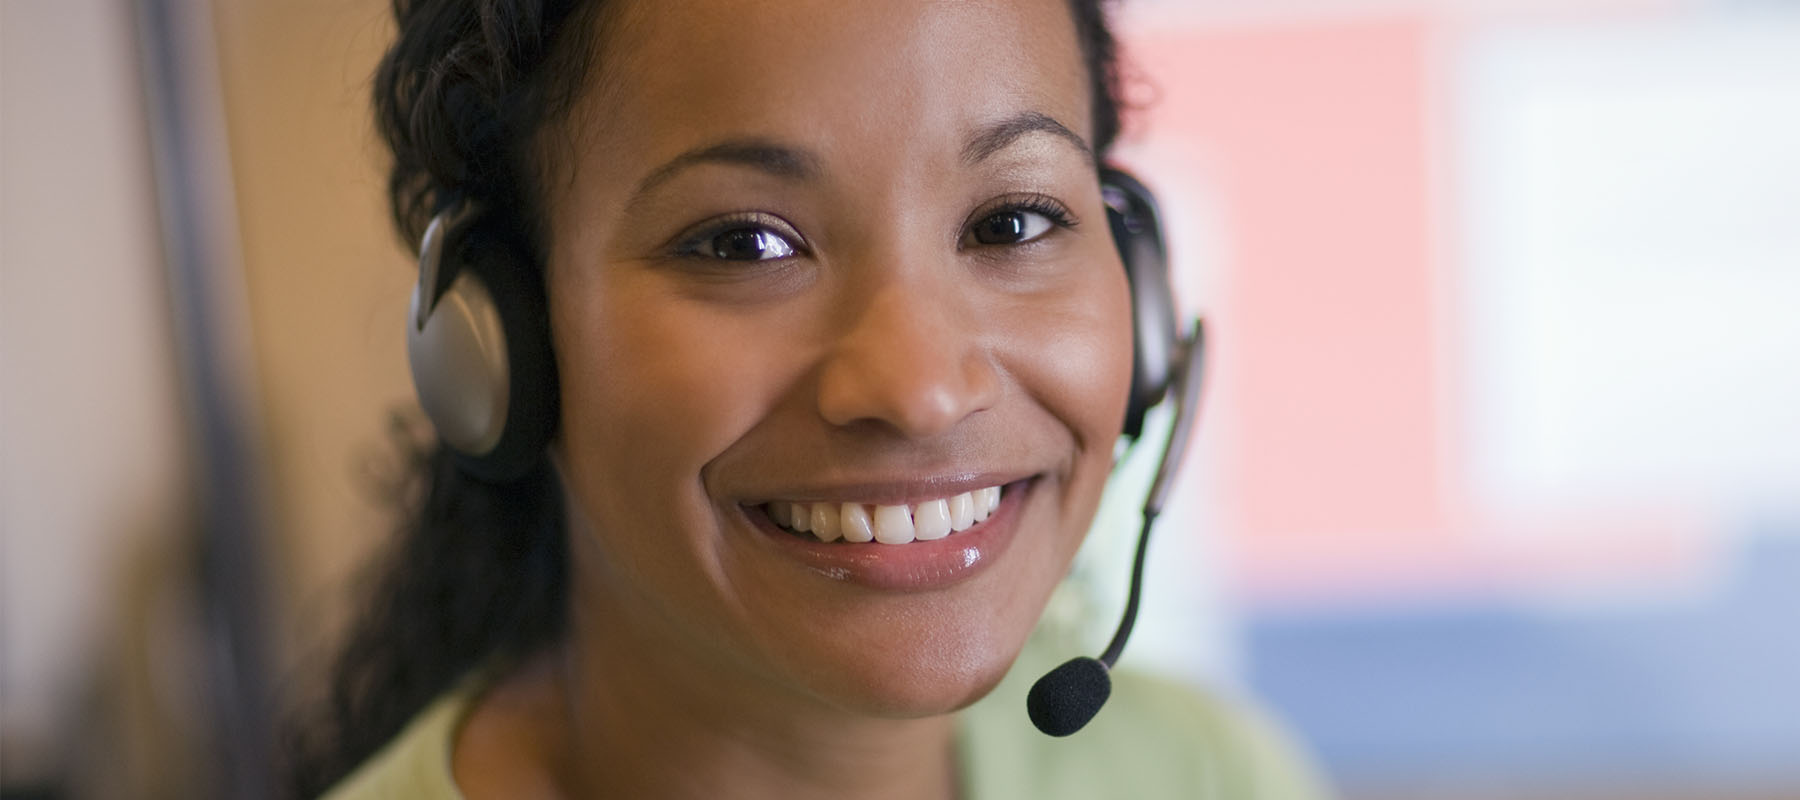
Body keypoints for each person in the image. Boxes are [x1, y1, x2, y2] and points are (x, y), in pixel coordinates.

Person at [286, 0, 1331, 797]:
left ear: (1141, 295)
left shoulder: (1203, 771)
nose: (919, 390)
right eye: (746, 242)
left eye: (1012, 221)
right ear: (499, 344)